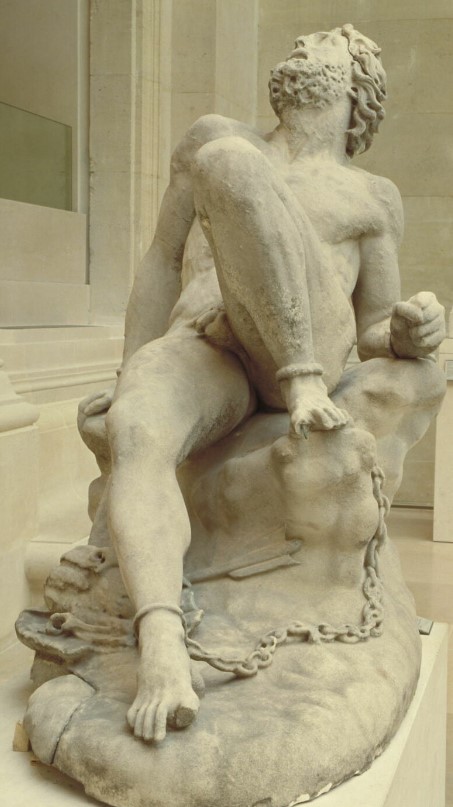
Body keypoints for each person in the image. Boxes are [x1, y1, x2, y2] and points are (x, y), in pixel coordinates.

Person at [80, 24, 445, 743]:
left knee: (231, 164)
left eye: (325, 43)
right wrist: (128, 371)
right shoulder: (212, 139)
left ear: (358, 84)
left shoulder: (369, 195)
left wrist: (409, 332)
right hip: (206, 343)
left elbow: (373, 325)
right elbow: (161, 262)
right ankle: (162, 642)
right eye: (303, 39)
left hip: (305, 352)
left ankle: (301, 378)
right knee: (137, 428)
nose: (303, 45)